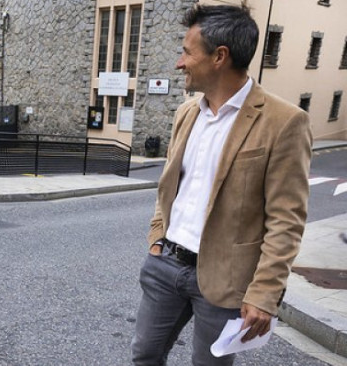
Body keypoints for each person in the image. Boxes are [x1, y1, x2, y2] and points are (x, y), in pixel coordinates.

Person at [131, 4, 312, 365]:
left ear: (219, 57)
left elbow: (286, 220)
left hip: (226, 282)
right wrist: (156, 237)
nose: (179, 63)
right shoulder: (187, 112)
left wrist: (264, 292)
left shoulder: (284, 122)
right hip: (166, 265)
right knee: (145, 356)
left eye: (186, 52)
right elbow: (169, 187)